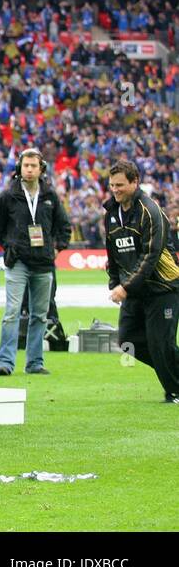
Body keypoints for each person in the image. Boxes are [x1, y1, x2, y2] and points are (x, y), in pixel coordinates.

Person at [104, 159, 179, 403]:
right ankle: (171, 374)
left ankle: (174, 390)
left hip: (162, 287)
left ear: (135, 182)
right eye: (112, 185)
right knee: (127, 341)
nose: (115, 190)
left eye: (120, 185)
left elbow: (150, 256)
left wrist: (125, 287)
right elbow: (112, 254)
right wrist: (114, 281)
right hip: (134, 290)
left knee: (161, 344)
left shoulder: (150, 211)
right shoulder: (111, 214)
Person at [0, 148, 72, 376]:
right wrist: (10, 247)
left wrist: (56, 249)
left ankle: (35, 363)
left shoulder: (50, 196)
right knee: (11, 312)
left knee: (40, 315)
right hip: (17, 262)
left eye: (33, 165)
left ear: (41, 169)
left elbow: (64, 226)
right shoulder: (8, 196)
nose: (29, 169)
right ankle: (5, 362)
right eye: (25, 165)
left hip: (44, 263)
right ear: (20, 167)